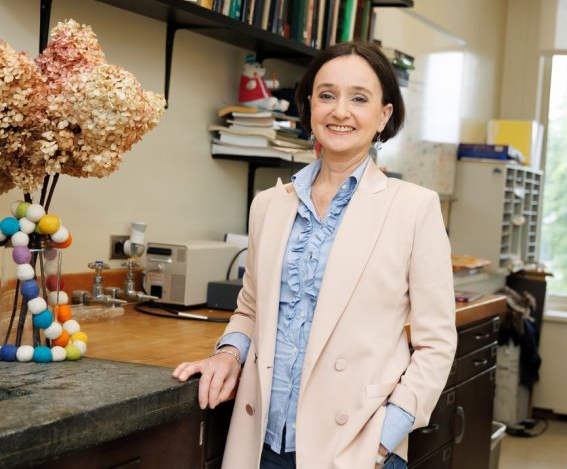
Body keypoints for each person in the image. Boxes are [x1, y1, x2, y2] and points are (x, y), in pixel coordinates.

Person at [173, 41, 457, 469]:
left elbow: (436, 342)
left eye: (359, 98)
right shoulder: (269, 205)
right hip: (261, 443)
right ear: (309, 107)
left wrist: (383, 437)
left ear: (383, 115)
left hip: (355, 448)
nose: (340, 111)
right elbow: (250, 307)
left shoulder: (414, 208)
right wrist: (228, 354)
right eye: (327, 95)